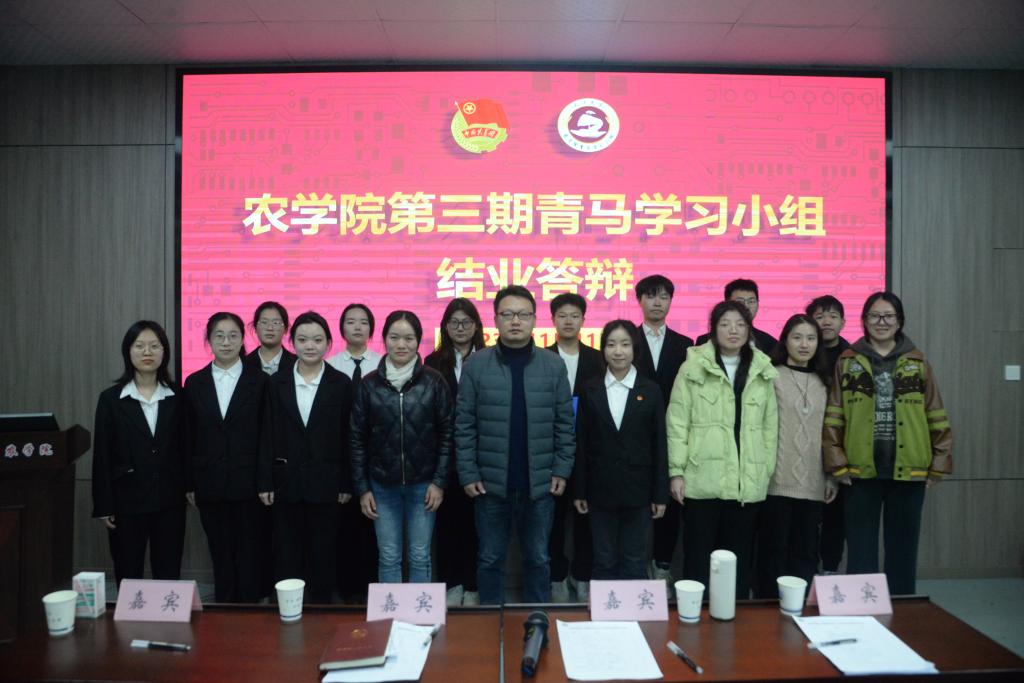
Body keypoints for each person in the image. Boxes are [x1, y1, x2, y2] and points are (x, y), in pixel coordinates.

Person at [823, 292, 952, 595]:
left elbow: (935, 412)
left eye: (888, 316)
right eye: (874, 316)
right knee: (860, 550)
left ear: (899, 321)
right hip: (859, 472)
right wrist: (837, 465)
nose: (881, 322)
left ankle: (902, 609)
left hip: (910, 471)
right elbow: (834, 416)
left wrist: (939, 463)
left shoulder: (917, 361)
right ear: (864, 321)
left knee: (903, 549)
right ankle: (863, 612)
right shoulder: (848, 360)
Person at [455, 285, 575, 605]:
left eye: (523, 314)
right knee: (490, 558)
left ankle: (537, 620)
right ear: (495, 320)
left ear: (535, 319)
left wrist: (562, 469)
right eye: (507, 314)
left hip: (540, 485)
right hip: (490, 485)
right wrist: (468, 473)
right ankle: (488, 623)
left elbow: (565, 424)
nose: (515, 321)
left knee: (538, 558)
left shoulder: (553, 365)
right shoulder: (476, 365)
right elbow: (464, 425)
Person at [667, 300, 778, 598]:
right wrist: (676, 472)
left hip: (746, 482)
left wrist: (765, 469)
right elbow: (677, 422)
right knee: (698, 555)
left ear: (749, 329)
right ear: (713, 329)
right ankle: (696, 613)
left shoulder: (762, 370)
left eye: (740, 324)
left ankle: (736, 614)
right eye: (725, 324)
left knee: (738, 557)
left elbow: (770, 428)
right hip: (702, 479)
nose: (733, 330)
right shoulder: (692, 368)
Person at [351, 311, 453, 584]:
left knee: (420, 555)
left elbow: (447, 435)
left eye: (409, 338)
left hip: (424, 486)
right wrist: (363, 488)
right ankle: (391, 612)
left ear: (418, 340)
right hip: (382, 486)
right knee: (388, 556)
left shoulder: (434, 382)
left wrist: (439, 482)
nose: (401, 344)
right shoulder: (369, 384)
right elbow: (357, 439)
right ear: (384, 339)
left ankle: (419, 612)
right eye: (394, 337)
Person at [261, 311, 354, 603]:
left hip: (327, 483)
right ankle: (289, 608)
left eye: (317, 340)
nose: (310, 346)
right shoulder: (276, 382)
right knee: (287, 551)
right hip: (285, 482)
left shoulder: (341, 383)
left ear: (328, 343)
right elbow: (266, 434)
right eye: (302, 340)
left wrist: (346, 482)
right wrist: (265, 481)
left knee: (323, 551)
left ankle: (321, 607)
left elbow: (348, 436)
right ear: (292, 342)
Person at [183, 312, 270, 602]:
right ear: (208, 341)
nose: (226, 342)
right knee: (219, 549)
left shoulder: (260, 381)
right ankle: (224, 606)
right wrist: (190, 482)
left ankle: (249, 607)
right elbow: (189, 436)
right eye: (219, 336)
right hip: (209, 481)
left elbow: (267, 436)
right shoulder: (194, 382)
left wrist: (265, 480)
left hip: (249, 483)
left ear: (243, 340)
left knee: (249, 550)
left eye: (233, 335)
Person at [92, 321, 185, 585]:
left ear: (164, 352)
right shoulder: (111, 399)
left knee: (168, 572)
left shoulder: (177, 396)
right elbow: (102, 455)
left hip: (169, 500)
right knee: (128, 571)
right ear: (128, 351)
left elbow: (186, 447)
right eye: (139, 346)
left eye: (155, 346)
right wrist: (104, 504)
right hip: (126, 501)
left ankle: (166, 614)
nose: (147, 352)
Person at [573, 320, 668, 580]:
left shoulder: (651, 390)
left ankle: (632, 608)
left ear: (635, 349)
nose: (618, 351)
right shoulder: (590, 389)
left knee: (635, 561)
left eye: (625, 345)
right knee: (603, 560)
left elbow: (660, 445)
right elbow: (581, 442)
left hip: (639, 492)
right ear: (603, 349)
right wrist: (580, 489)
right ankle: (606, 608)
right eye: (611, 344)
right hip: (599, 489)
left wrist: (660, 494)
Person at [754, 314, 836, 598]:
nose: (804, 344)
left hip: (813, 481)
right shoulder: (770, 376)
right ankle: (766, 609)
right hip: (775, 480)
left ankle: (799, 608)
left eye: (811, 338)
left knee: (805, 551)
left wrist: (831, 477)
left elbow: (830, 433)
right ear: (785, 340)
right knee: (772, 550)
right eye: (797, 337)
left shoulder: (826, 382)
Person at [424, 298, 485, 606]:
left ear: (476, 326)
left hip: (481, 458)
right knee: (447, 526)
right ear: (445, 327)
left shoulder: (490, 359)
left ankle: (473, 586)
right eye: (454, 322)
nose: (460, 328)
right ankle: (451, 585)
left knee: (477, 527)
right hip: (444, 458)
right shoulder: (432, 362)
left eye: (466, 322)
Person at [633, 274, 692, 584]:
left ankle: (662, 567)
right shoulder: (625, 339)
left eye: (664, 296)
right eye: (650, 296)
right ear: (639, 300)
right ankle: (635, 568)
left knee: (669, 503)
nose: (657, 302)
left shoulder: (686, 345)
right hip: (634, 436)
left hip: (673, 435)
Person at [546, 292, 603, 602]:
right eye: (562, 316)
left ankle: (582, 575)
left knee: (586, 519)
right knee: (552, 520)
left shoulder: (598, 359)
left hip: (588, 452)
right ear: (552, 320)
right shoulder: (541, 357)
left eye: (574, 316)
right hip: (550, 452)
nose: (568, 321)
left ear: (583, 320)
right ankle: (556, 576)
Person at [326, 302, 380, 601]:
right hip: (340, 456)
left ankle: (371, 590)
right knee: (343, 528)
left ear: (371, 328)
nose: (357, 327)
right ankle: (345, 590)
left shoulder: (383, 363)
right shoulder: (330, 365)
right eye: (350, 321)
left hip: (375, 457)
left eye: (363, 322)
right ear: (341, 328)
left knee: (373, 527)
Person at [806, 294, 850, 574]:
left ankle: (831, 570)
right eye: (820, 316)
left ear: (843, 322)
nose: (827, 322)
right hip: (807, 443)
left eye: (833, 316)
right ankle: (806, 571)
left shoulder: (854, 357)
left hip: (841, 446)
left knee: (837, 516)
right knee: (808, 517)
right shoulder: (803, 354)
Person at [696, 279, 777, 354]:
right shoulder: (704, 342)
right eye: (740, 302)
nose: (746, 306)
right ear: (727, 303)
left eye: (751, 301)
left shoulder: (770, 343)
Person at [244, 301, 296, 376]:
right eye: (264, 322)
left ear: (286, 329)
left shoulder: (297, 364)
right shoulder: (244, 364)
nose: (270, 328)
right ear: (255, 328)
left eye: (276, 323)